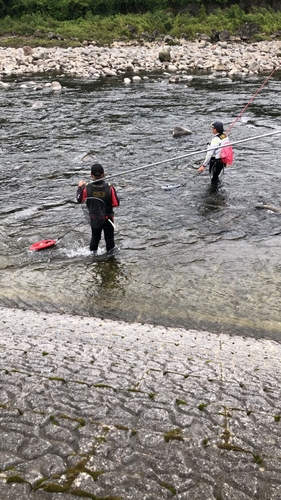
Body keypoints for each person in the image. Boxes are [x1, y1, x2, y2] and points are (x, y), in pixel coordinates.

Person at [76, 163, 120, 253]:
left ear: (91, 175)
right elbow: (116, 203)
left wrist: (80, 187)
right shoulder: (110, 187)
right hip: (108, 219)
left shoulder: (86, 188)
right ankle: (111, 260)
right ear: (103, 174)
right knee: (109, 239)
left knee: (95, 238)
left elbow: (79, 200)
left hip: (94, 218)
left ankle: (93, 257)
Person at [197, 121, 228, 189]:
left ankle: (213, 192)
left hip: (215, 162)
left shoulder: (215, 140)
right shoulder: (225, 136)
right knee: (216, 176)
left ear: (215, 129)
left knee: (213, 179)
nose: (212, 129)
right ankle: (217, 192)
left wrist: (203, 166)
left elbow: (209, 154)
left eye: (213, 128)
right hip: (222, 162)